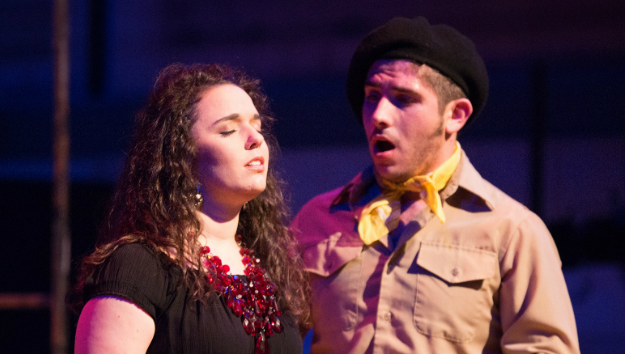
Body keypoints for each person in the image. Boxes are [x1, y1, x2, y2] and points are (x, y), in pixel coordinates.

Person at [291, 17, 580, 354]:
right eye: (372, 96)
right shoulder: (317, 219)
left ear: (455, 115)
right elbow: (270, 336)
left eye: (403, 98)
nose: (379, 114)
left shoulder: (511, 231)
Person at [70, 63, 310, 354]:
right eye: (229, 129)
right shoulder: (141, 266)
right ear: (184, 158)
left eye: (258, 127)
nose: (256, 139)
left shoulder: (269, 266)